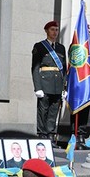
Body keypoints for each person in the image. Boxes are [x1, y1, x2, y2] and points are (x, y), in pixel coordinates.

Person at [32, 20, 67, 148]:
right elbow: (35, 68)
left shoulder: (61, 48)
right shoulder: (40, 46)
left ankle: (51, 135)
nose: (55, 32)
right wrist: (38, 87)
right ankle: (42, 134)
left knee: (53, 111)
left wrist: (64, 87)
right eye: (52, 30)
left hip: (57, 85)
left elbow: (64, 68)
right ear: (46, 31)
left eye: (56, 30)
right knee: (43, 110)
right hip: (44, 84)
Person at [70, 24, 90, 150]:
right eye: (85, 30)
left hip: (87, 85)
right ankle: (74, 135)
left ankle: (81, 135)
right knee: (75, 110)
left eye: (89, 31)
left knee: (85, 110)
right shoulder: (74, 46)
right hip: (77, 84)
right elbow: (70, 68)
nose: (87, 32)